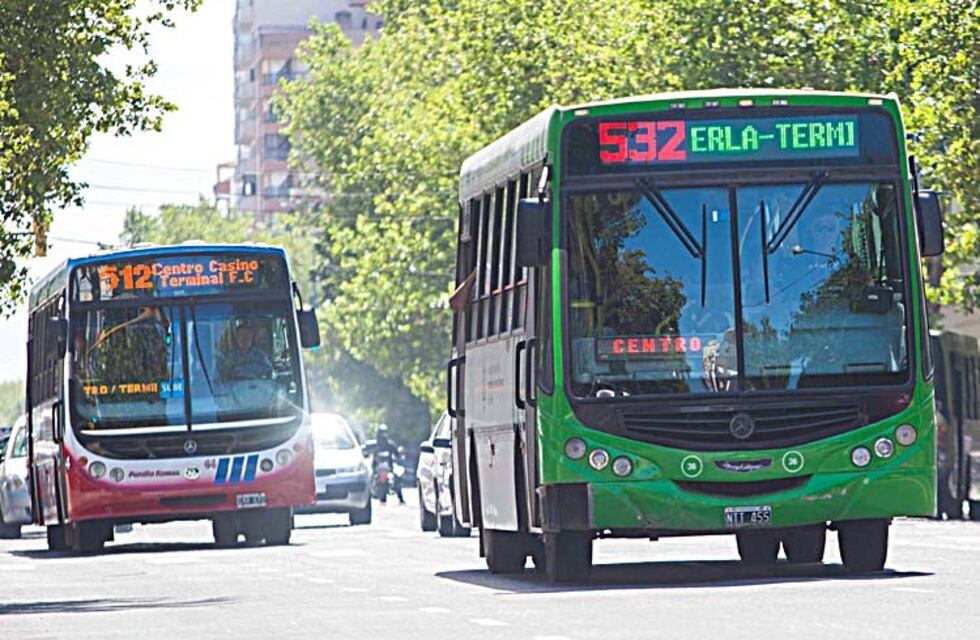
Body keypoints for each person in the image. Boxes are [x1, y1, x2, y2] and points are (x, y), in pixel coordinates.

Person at [219, 317, 273, 382]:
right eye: (241, 335)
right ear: (237, 337)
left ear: (252, 337)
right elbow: (222, 376)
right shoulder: (229, 357)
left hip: (258, 388)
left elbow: (270, 373)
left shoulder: (261, 357)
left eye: (247, 335)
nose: (244, 339)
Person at [373, 425, 405, 505]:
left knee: (397, 479)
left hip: (389, 469)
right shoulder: (374, 445)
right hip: (377, 469)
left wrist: (400, 454)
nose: (383, 435)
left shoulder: (390, 445)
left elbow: (397, 454)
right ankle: (381, 497)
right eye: (381, 433)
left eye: (384, 433)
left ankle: (400, 499)